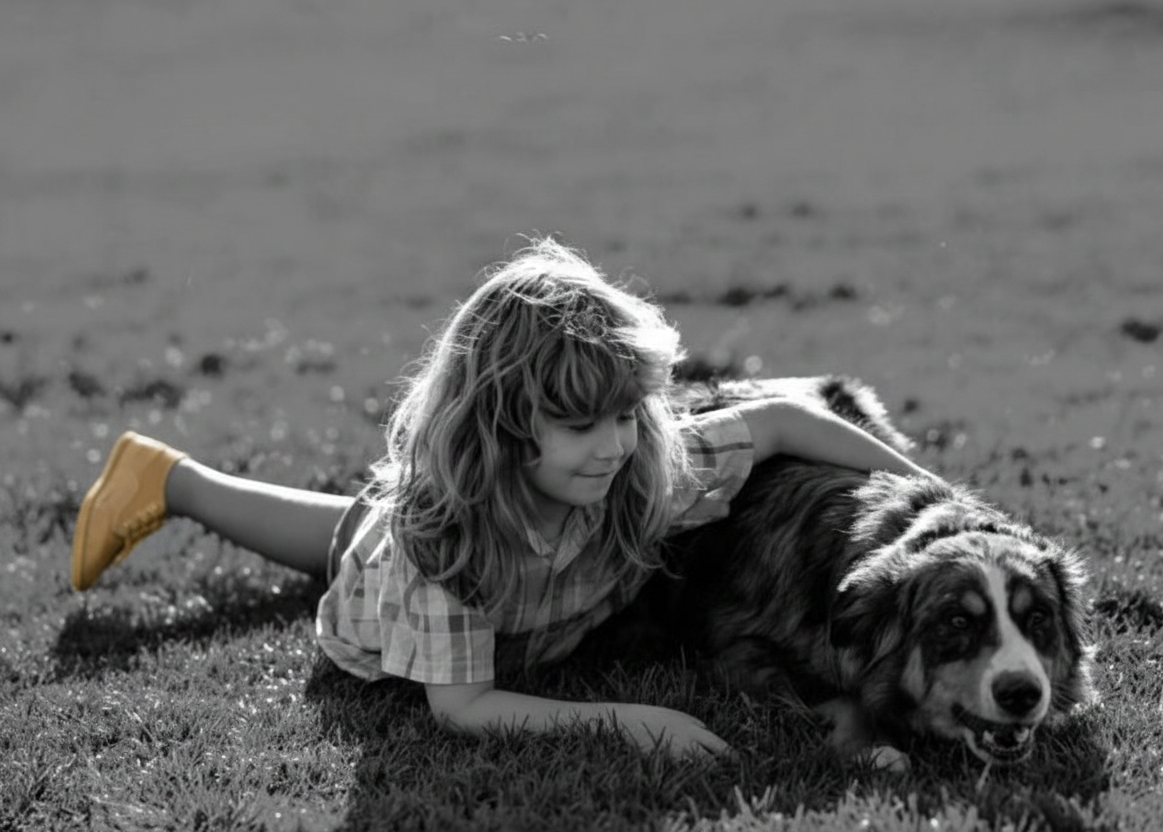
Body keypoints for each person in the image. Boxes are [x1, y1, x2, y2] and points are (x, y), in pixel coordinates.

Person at [70, 237, 932, 759]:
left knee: (357, 529)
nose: (613, 443)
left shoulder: (634, 462)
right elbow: (464, 705)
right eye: (579, 424)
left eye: (624, 414)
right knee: (356, 548)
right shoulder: (441, 546)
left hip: (504, 565)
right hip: (396, 587)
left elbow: (781, 420)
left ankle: (168, 475)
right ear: (502, 423)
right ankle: (176, 481)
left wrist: (928, 498)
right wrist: (633, 721)